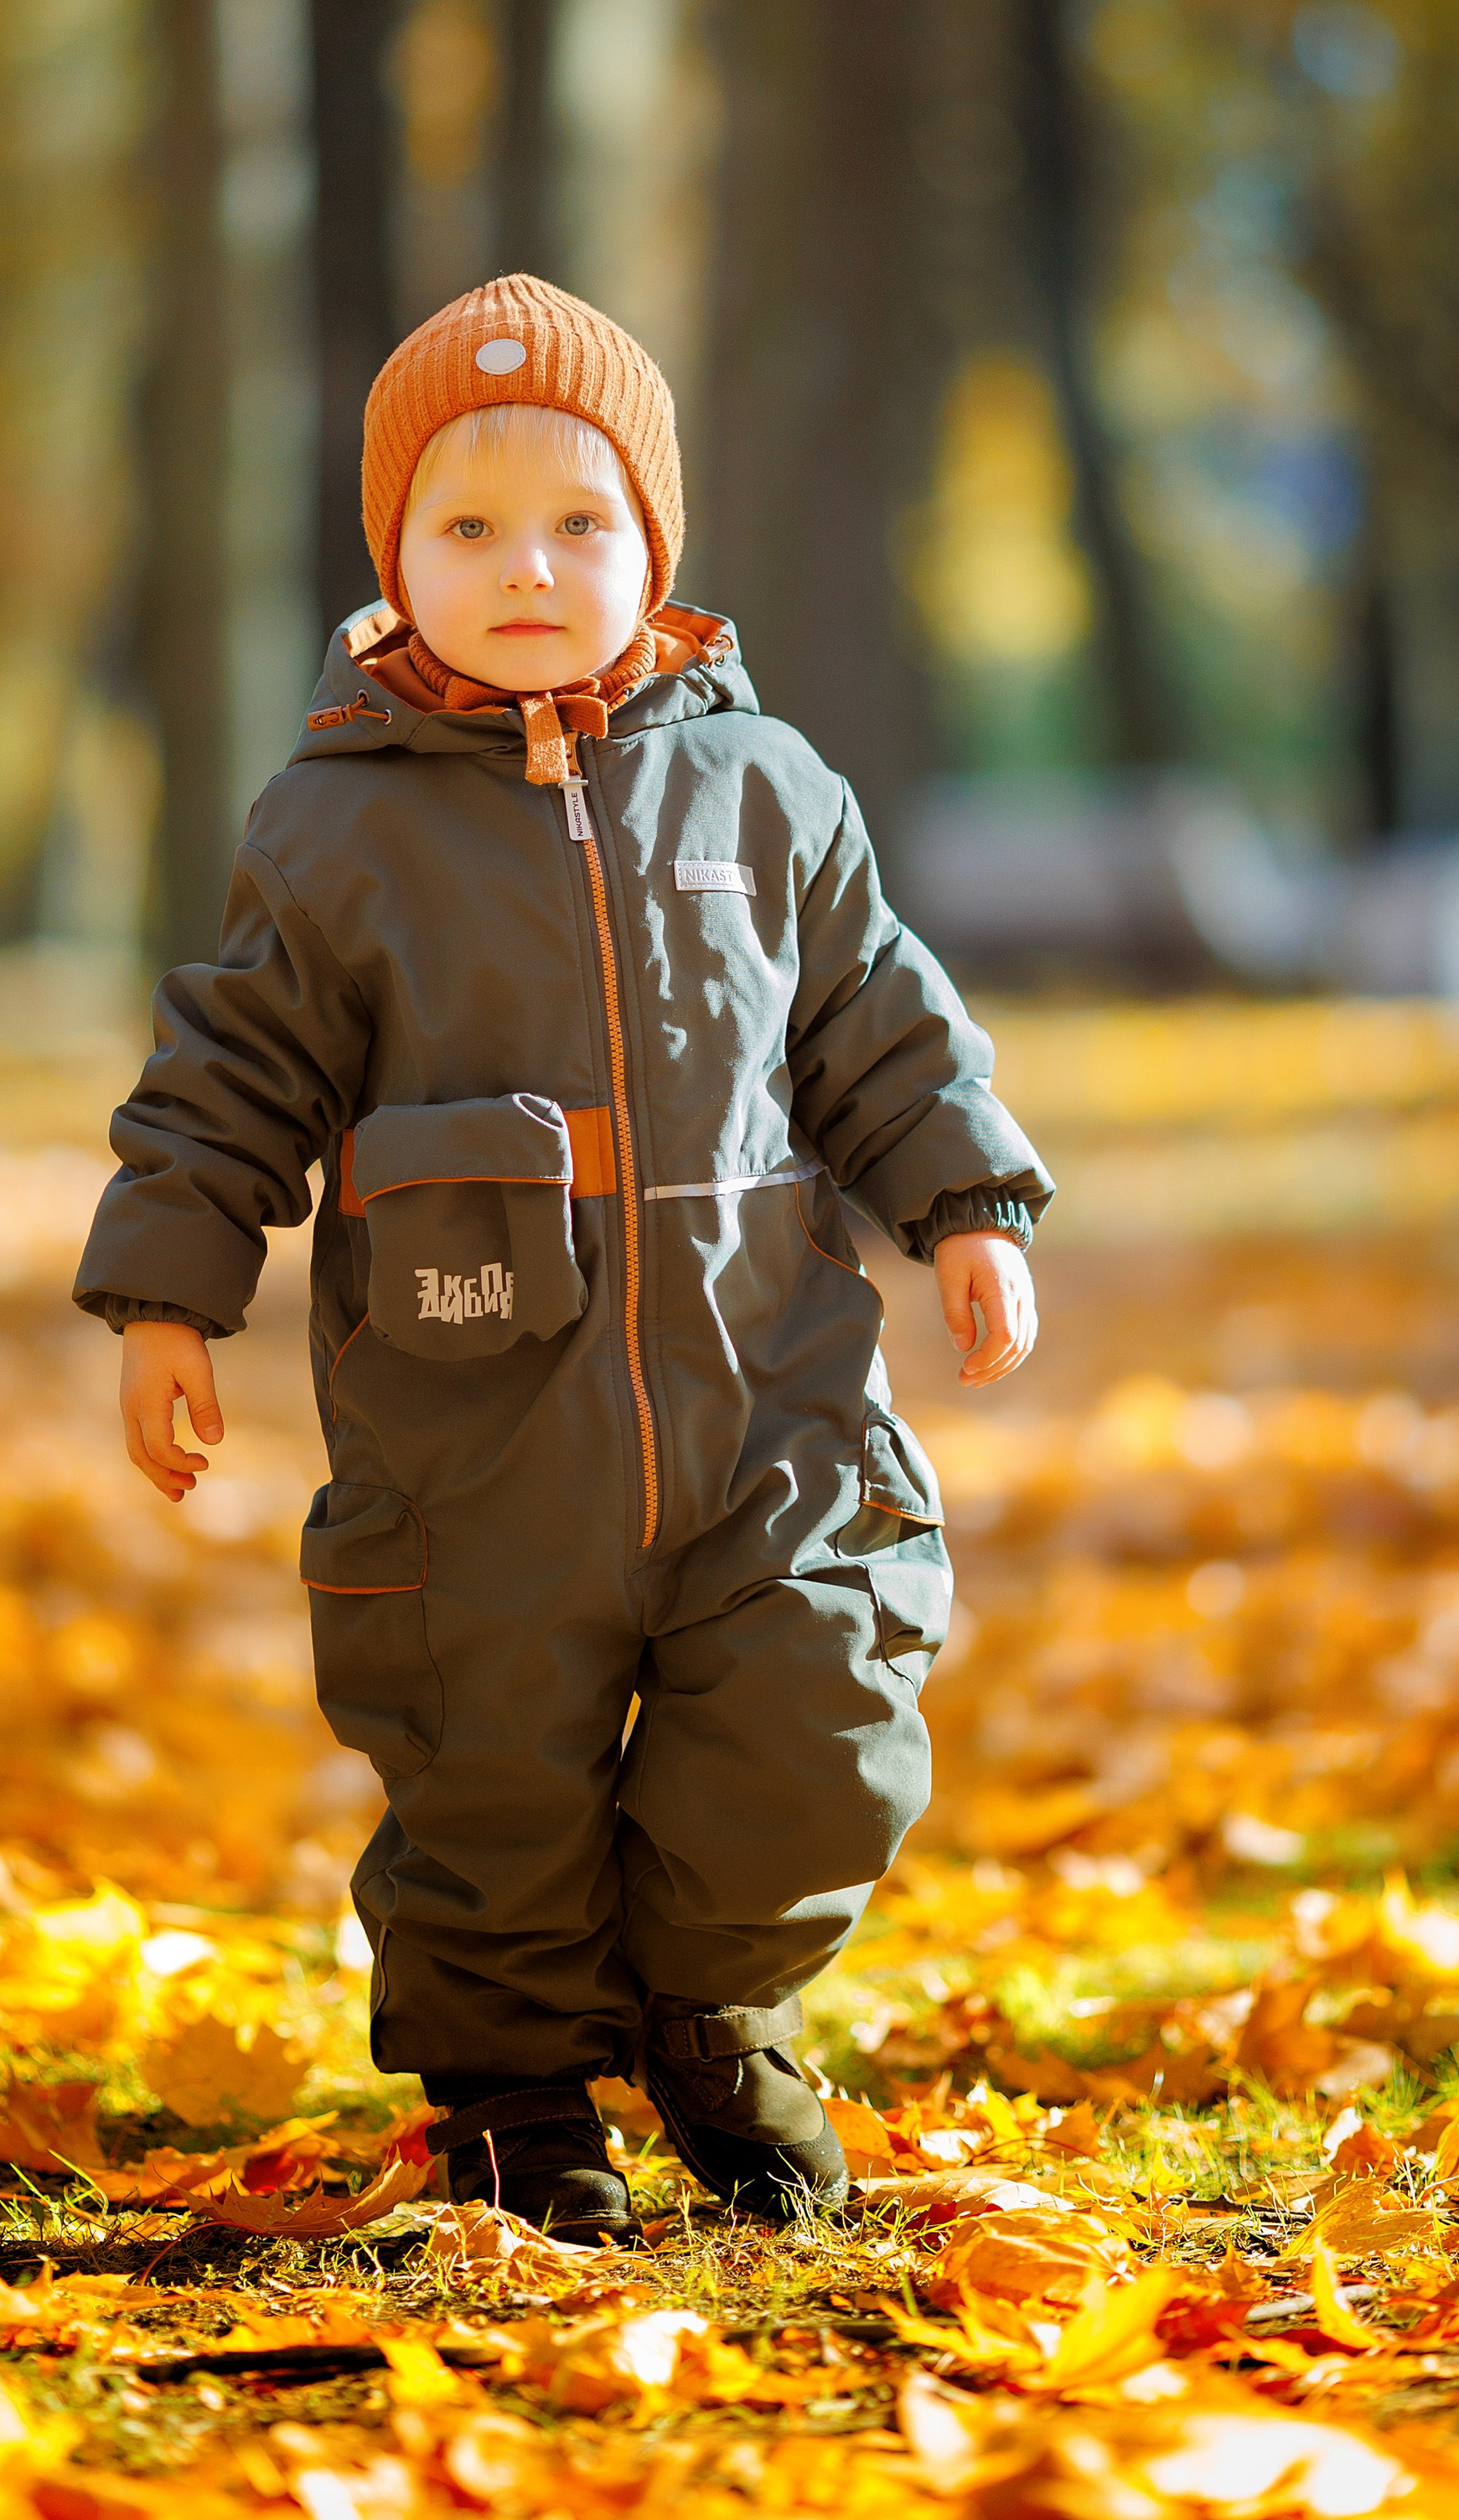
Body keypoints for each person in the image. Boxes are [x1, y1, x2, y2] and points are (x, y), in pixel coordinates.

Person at [75, 273, 1052, 2242]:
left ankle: (710, 2008)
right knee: (482, 1771)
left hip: (765, 1389)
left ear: (654, 546)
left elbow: (877, 1018)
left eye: (578, 522)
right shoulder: (333, 830)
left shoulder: (767, 791)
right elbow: (230, 1069)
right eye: (468, 527)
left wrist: (965, 1206)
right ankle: (519, 2089)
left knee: (822, 1712)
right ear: (393, 561)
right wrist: (170, 1290)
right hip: (473, 1424)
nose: (528, 568)